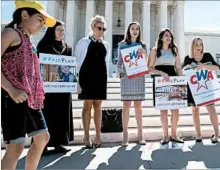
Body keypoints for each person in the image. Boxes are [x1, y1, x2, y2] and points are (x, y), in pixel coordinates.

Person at [1, 1, 56, 169]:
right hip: (12, 97)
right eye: (40, 19)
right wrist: (11, 89)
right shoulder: (10, 33)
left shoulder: (29, 42)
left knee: (42, 138)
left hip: (30, 99)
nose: (42, 25)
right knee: (15, 147)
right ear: (24, 15)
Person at [36, 20, 74, 154]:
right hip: (48, 88)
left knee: (62, 114)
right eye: (58, 29)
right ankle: (43, 146)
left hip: (63, 88)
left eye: (63, 30)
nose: (61, 32)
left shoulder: (67, 47)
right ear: (52, 30)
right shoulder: (43, 45)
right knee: (48, 114)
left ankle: (59, 143)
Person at [75, 15, 110, 148]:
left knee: (98, 107)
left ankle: (98, 136)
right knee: (87, 106)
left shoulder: (105, 44)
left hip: (100, 77)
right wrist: (77, 82)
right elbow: (77, 62)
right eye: (99, 28)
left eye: (103, 29)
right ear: (92, 27)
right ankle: (86, 136)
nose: (101, 31)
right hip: (86, 77)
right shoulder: (83, 42)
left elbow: (105, 63)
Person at [148, 28, 183, 145]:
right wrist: (161, 73)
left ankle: (174, 134)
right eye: (166, 35)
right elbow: (149, 68)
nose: (169, 38)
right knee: (163, 110)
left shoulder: (175, 50)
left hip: (173, 78)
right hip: (160, 80)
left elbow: (178, 67)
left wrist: (180, 79)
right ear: (161, 37)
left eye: (170, 36)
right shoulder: (154, 50)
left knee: (175, 109)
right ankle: (165, 135)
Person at [182, 36, 220, 143]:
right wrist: (187, 67)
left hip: (207, 87)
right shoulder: (187, 59)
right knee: (195, 110)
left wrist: (203, 66)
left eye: (201, 44)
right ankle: (198, 135)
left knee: (211, 110)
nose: (199, 47)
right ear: (192, 46)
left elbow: (217, 68)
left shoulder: (207, 56)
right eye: (197, 44)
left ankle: (217, 134)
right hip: (193, 88)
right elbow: (181, 71)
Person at [117, 22, 147, 146]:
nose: (134, 31)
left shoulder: (142, 45)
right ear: (128, 31)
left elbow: (146, 61)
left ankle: (140, 134)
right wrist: (121, 72)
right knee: (126, 106)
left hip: (139, 77)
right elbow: (119, 63)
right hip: (127, 77)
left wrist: (143, 53)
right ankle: (125, 135)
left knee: (138, 107)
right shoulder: (122, 45)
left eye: (137, 29)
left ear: (139, 31)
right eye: (132, 29)